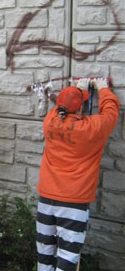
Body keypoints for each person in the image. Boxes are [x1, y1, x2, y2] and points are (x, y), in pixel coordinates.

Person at [36, 78, 120, 271]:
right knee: (68, 257)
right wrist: (103, 88)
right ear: (80, 108)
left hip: (47, 199)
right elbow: (111, 112)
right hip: (74, 202)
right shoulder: (91, 128)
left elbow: (63, 109)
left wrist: (79, 88)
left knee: (44, 252)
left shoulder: (50, 121)